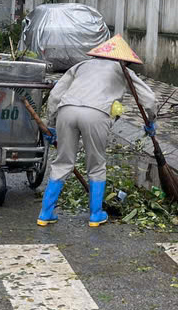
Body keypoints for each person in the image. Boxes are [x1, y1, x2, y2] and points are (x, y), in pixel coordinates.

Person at [37, 35, 157, 228]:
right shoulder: (123, 70)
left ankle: (45, 213)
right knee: (96, 164)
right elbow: (149, 100)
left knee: (62, 161)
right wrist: (151, 122)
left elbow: (55, 95)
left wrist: (50, 123)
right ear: (124, 58)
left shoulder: (82, 66)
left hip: (66, 111)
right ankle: (95, 215)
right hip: (96, 114)